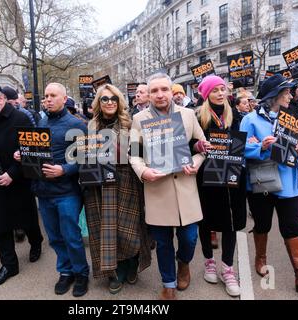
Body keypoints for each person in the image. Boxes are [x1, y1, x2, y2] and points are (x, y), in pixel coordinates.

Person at [240, 74, 298, 295]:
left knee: (291, 227)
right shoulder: (250, 119)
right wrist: (260, 146)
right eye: (286, 92)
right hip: (262, 180)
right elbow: (238, 149)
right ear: (274, 95)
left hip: (288, 180)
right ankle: (260, 257)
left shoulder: (293, 118)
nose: (290, 95)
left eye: (290, 92)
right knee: (263, 224)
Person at [129, 73, 206, 300]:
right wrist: (143, 171)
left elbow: (202, 148)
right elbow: (133, 154)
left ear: (171, 91)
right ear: (149, 94)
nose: (160, 94)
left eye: (164, 89)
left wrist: (196, 163)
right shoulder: (139, 119)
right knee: (162, 243)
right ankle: (168, 283)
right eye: (154, 91)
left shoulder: (188, 115)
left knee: (189, 238)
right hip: (157, 190)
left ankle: (184, 263)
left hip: (185, 189)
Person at [83, 84, 152, 294]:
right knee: (107, 231)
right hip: (100, 185)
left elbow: (140, 153)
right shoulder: (90, 126)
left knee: (128, 230)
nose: (109, 102)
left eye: (113, 98)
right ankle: (116, 271)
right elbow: (85, 157)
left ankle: (133, 263)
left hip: (127, 181)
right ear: (98, 103)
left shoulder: (130, 124)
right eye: (104, 99)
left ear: (119, 101)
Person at [0, 84, 43, 288]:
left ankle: (36, 243)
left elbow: (31, 152)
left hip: (18, 182)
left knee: (27, 219)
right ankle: (9, 265)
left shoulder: (20, 119)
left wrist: (12, 173)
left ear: (1, 99)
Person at [32, 83, 90, 297]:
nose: (48, 99)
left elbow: (86, 159)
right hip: (44, 192)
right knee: (55, 237)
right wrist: (24, 155)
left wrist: (63, 169)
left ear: (64, 99)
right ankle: (65, 272)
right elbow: (36, 153)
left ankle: (81, 273)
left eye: (53, 95)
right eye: (46, 95)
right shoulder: (41, 122)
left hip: (67, 192)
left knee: (71, 236)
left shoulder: (77, 124)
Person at [194, 75, 247, 297]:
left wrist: (251, 143)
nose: (220, 93)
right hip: (207, 177)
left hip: (233, 176)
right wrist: (197, 145)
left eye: (222, 89)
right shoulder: (198, 117)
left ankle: (228, 268)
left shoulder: (236, 115)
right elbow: (187, 143)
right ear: (207, 94)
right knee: (206, 222)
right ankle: (209, 262)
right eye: (215, 90)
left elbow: (243, 142)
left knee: (231, 223)